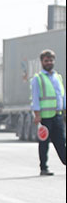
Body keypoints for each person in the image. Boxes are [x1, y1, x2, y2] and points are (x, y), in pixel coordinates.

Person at [30, 48, 65, 176]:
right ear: (42, 62)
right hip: (45, 117)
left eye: (51, 60)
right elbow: (35, 98)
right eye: (46, 60)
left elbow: (62, 95)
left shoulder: (58, 77)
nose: (49, 62)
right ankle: (43, 168)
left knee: (61, 142)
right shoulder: (37, 79)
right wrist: (37, 115)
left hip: (58, 116)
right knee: (44, 144)